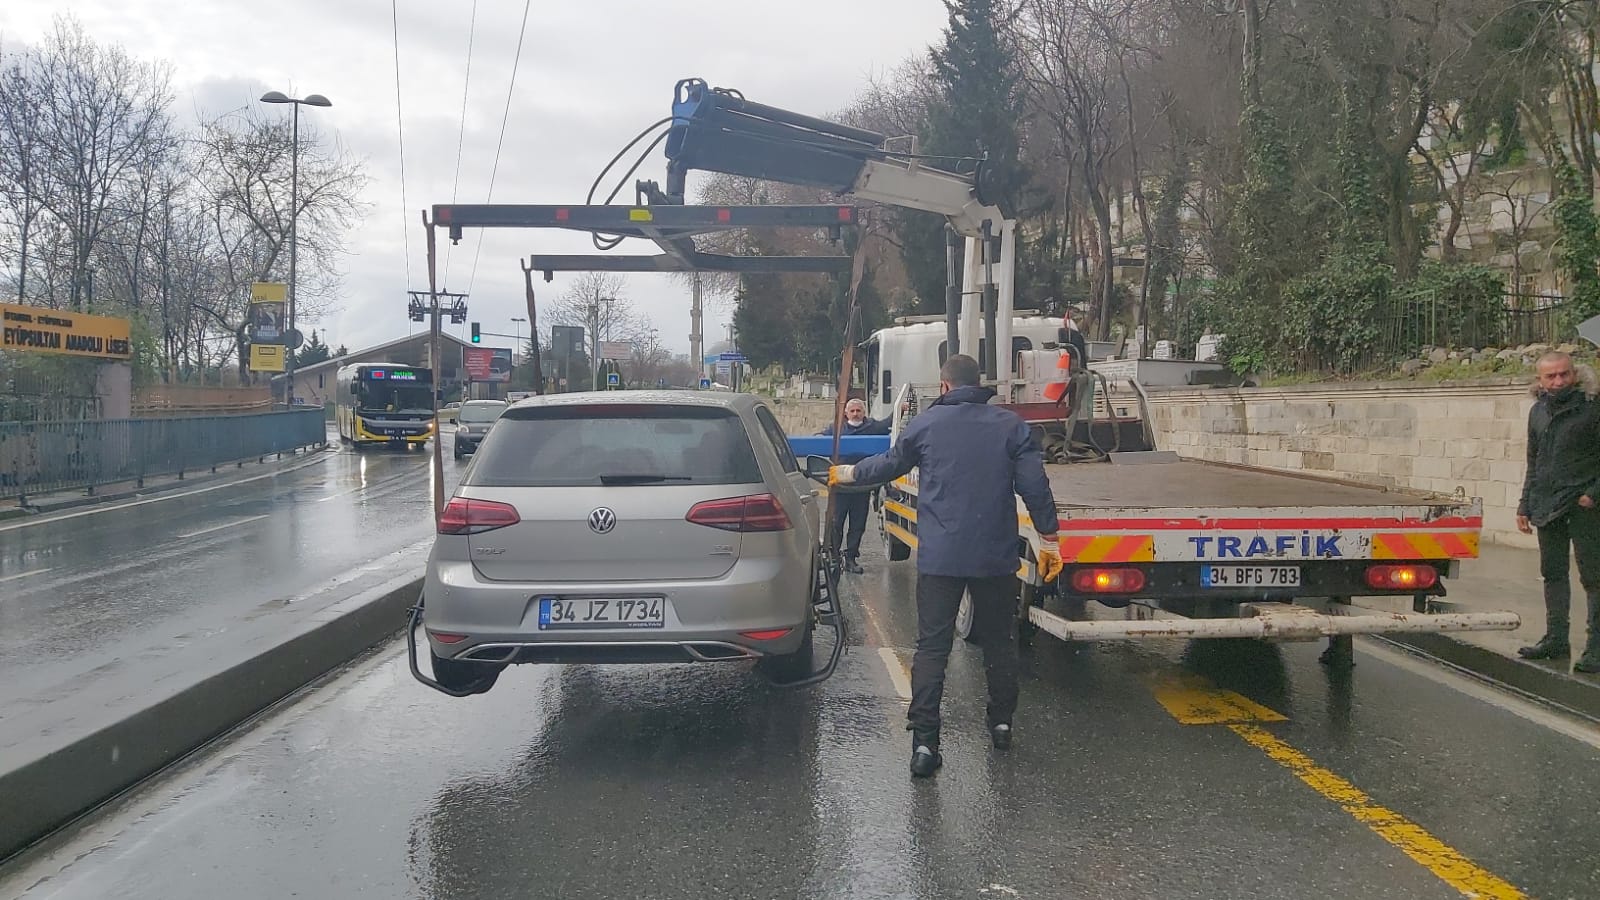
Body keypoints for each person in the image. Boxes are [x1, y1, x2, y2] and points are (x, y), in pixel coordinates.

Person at [829, 354, 1063, 777]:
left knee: (932, 648)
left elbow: (888, 466)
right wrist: (1049, 539)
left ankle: (924, 745)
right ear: (980, 386)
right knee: (999, 642)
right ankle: (1002, 724)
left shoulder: (926, 426)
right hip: (995, 556)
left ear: (943, 386)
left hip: (941, 559)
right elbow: (1035, 487)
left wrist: (847, 474)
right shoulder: (1012, 427)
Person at [1516, 351, 1600, 673]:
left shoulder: (1592, 407)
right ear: (1540, 380)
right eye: (1551, 376)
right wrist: (1525, 504)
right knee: (1553, 575)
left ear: (1574, 374)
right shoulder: (1538, 412)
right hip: (1547, 504)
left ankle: (1595, 648)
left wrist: (1592, 495)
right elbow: (1534, 460)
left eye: (1564, 374)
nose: (1558, 381)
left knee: (1593, 577)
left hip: (1584, 506)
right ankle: (1556, 639)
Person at [818, 398, 891, 574]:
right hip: (841, 487)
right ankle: (835, 557)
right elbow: (818, 440)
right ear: (846, 413)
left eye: (859, 410)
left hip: (862, 487)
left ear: (864, 412)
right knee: (836, 523)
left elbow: (888, 423)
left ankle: (850, 558)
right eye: (853, 411)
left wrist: (902, 409)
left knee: (858, 524)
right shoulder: (836, 429)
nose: (856, 414)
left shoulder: (873, 427)